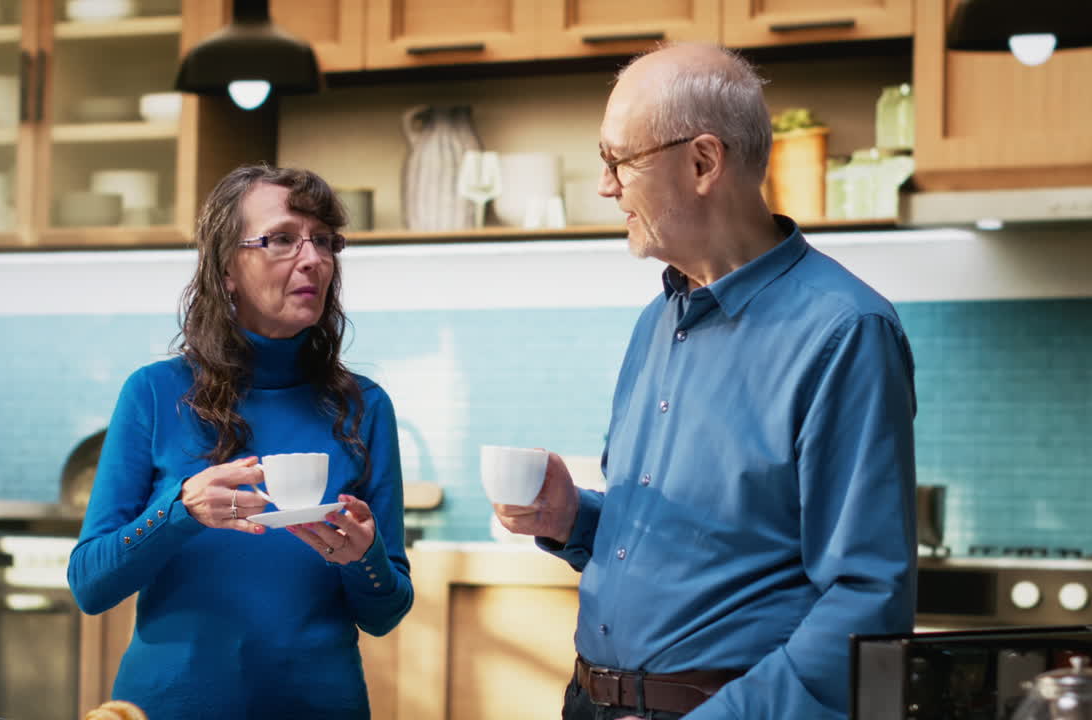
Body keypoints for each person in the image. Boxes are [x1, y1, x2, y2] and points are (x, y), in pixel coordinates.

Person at [494, 43, 917, 720]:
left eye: (618, 161)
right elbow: (686, 543)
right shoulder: (655, 322)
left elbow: (866, 599)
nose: (606, 186)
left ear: (702, 162)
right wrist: (575, 518)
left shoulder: (845, 331)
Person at [68, 165, 413, 719]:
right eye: (281, 239)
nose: (313, 259)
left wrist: (362, 556)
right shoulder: (153, 393)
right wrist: (180, 511)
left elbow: (385, 611)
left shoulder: (365, 407)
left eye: (324, 241)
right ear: (227, 266)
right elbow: (90, 585)